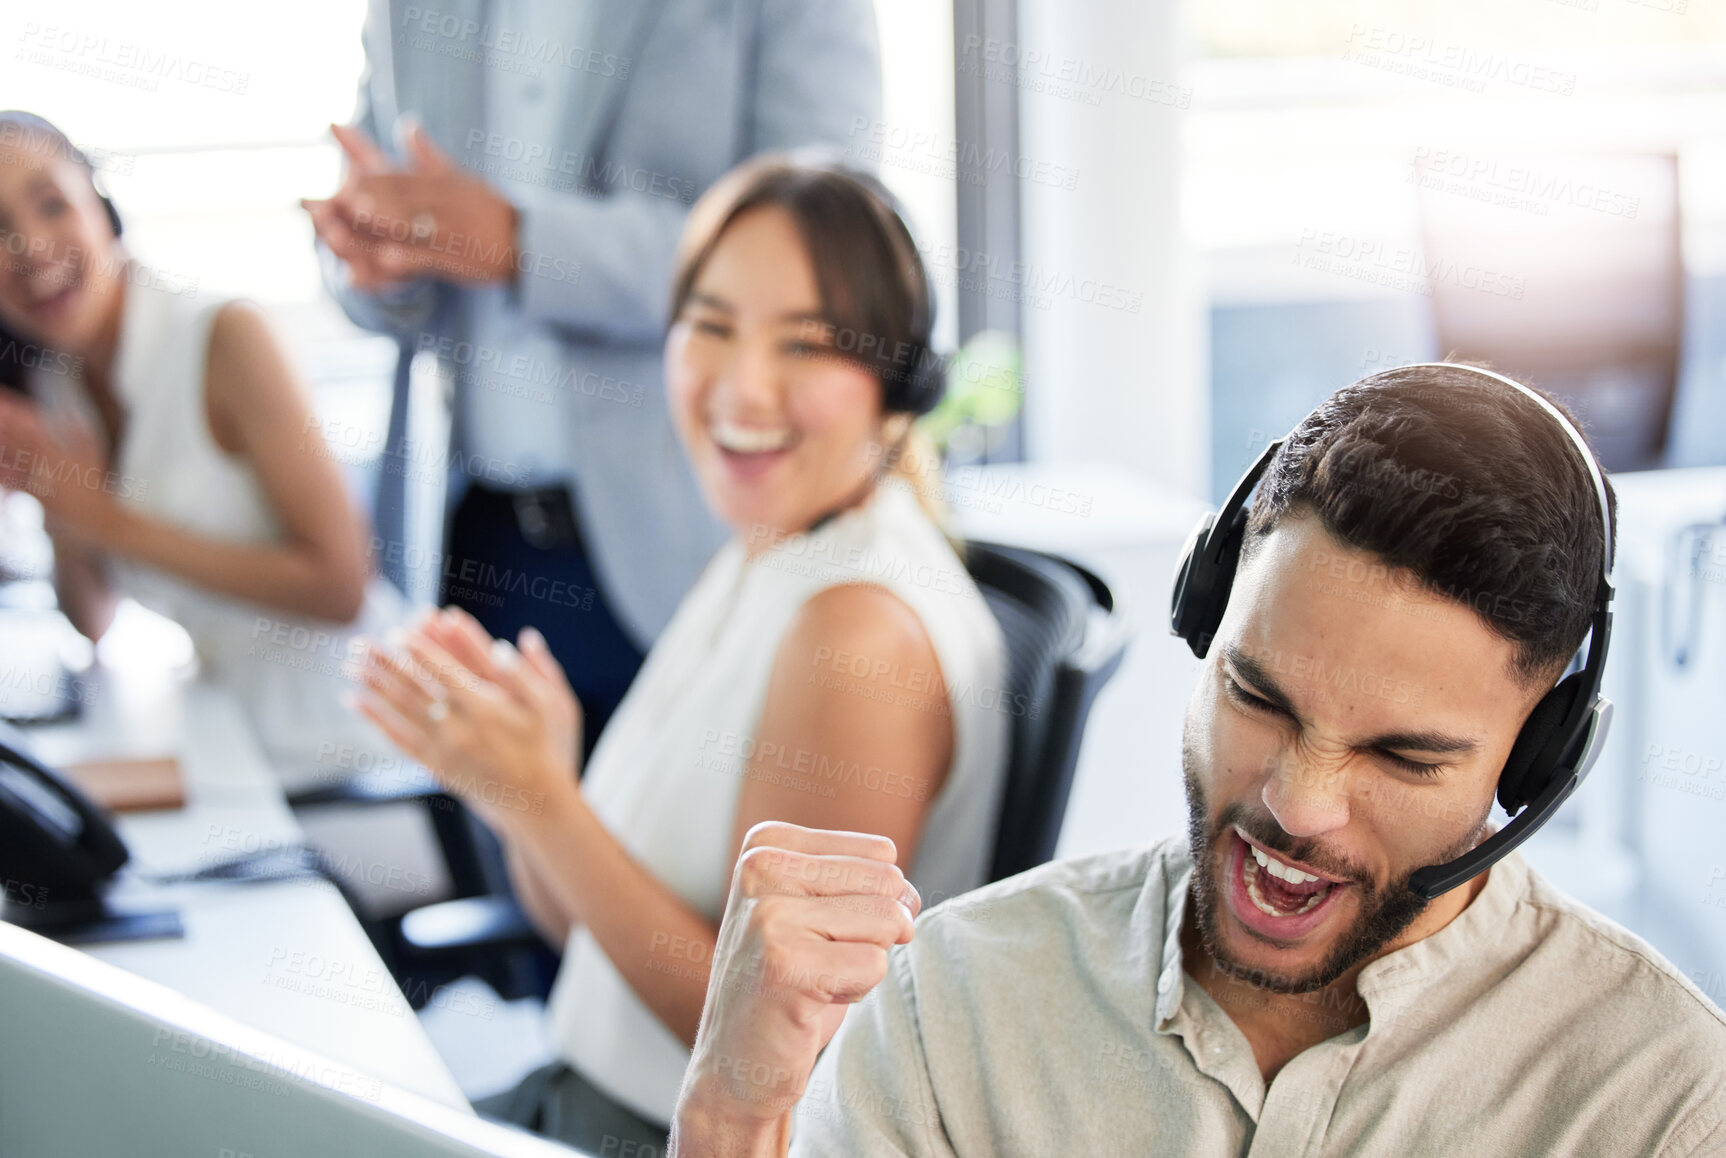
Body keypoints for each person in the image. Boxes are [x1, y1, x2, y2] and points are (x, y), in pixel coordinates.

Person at [669, 364, 1726, 1157]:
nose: (1297, 804)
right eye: (1256, 697)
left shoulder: (1658, 1103)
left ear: (1537, 758)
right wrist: (734, 1105)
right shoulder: (955, 1005)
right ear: (1203, 621)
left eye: (1401, 758)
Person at [353, 157, 1010, 1153]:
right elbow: (586, 935)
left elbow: (771, 1057)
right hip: (580, 1100)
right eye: (710, 326)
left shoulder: (856, 630)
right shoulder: (768, 550)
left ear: (897, 384)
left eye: (806, 343)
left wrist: (546, 801)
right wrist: (517, 783)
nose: (743, 386)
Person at [306, 0, 883, 752]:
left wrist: (523, 242)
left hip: (682, 542)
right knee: (511, 848)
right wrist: (372, 258)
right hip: (469, 539)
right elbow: (378, 216)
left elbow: (822, 243)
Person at [0, 112, 403, 783]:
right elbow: (92, 623)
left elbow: (342, 588)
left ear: (100, 204)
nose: (31, 246)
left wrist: (107, 522)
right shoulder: (55, 379)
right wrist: (64, 511)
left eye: (51, 204)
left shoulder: (225, 336)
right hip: (227, 744)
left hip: (352, 749)